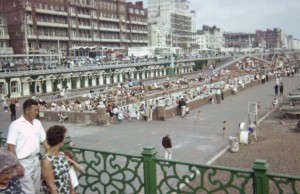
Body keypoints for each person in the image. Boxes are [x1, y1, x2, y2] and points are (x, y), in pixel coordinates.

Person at [7, 98, 50, 194]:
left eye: (37, 110)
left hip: (36, 160)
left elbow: (44, 141)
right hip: (23, 162)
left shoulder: (37, 123)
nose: (37, 112)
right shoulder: (16, 125)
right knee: (28, 190)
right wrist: (16, 165)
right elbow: (10, 146)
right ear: (27, 111)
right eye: (35, 110)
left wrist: (53, 155)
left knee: (37, 189)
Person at [41, 125, 75, 194]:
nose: (65, 140)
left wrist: (72, 190)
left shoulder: (62, 155)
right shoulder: (47, 161)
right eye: (64, 138)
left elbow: (67, 175)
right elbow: (51, 186)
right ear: (59, 139)